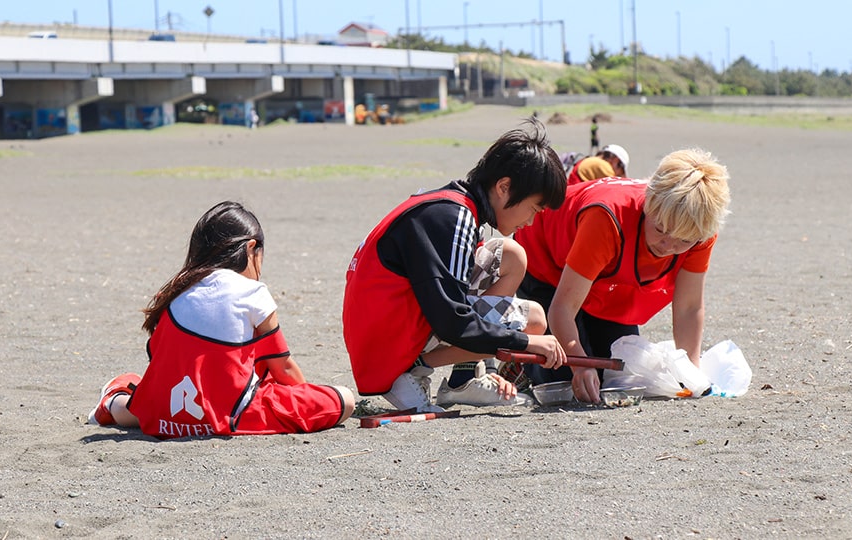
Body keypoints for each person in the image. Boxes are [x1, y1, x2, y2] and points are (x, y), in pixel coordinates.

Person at [343, 117, 568, 412]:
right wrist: (525, 343)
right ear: (504, 187)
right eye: (534, 209)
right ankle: (411, 371)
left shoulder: (450, 204)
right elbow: (453, 321)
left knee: (511, 255)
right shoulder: (455, 217)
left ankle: (462, 380)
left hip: (379, 325)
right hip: (386, 345)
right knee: (535, 319)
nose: (530, 221)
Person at [88, 201, 355, 438]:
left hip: (167, 415)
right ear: (252, 248)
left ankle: (113, 400)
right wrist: (305, 397)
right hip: (229, 414)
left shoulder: (176, 289)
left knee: (146, 408)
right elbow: (284, 370)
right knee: (344, 399)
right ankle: (119, 397)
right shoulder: (253, 292)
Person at [514, 148, 731, 403]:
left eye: (683, 240)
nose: (668, 246)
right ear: (648, 205)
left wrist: (690, 373)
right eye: (660, 229)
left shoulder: (700, 231)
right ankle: (519, 365)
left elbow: (689, 307)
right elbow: (562, 307)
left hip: (606, 279)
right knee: (563, 379)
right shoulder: (607, 217)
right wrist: (580, 365)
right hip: (546, 263)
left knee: (620, 372)